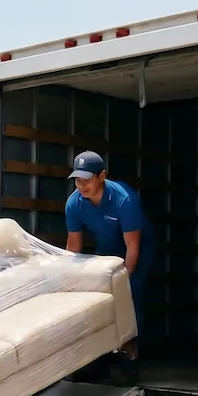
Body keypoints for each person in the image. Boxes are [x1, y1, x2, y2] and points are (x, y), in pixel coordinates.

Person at [65, 150, 156, 362]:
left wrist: (124, 280)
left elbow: (132, 247)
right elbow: (73, 246)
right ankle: (102, 352)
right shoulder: (74, 204)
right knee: (99, 293)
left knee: (129, 292)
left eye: (87, 179)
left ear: (102, 176)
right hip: (108, 246)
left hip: (137, 246)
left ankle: (131, 351)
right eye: (77, 179)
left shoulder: (124, 200)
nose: (81, 185)